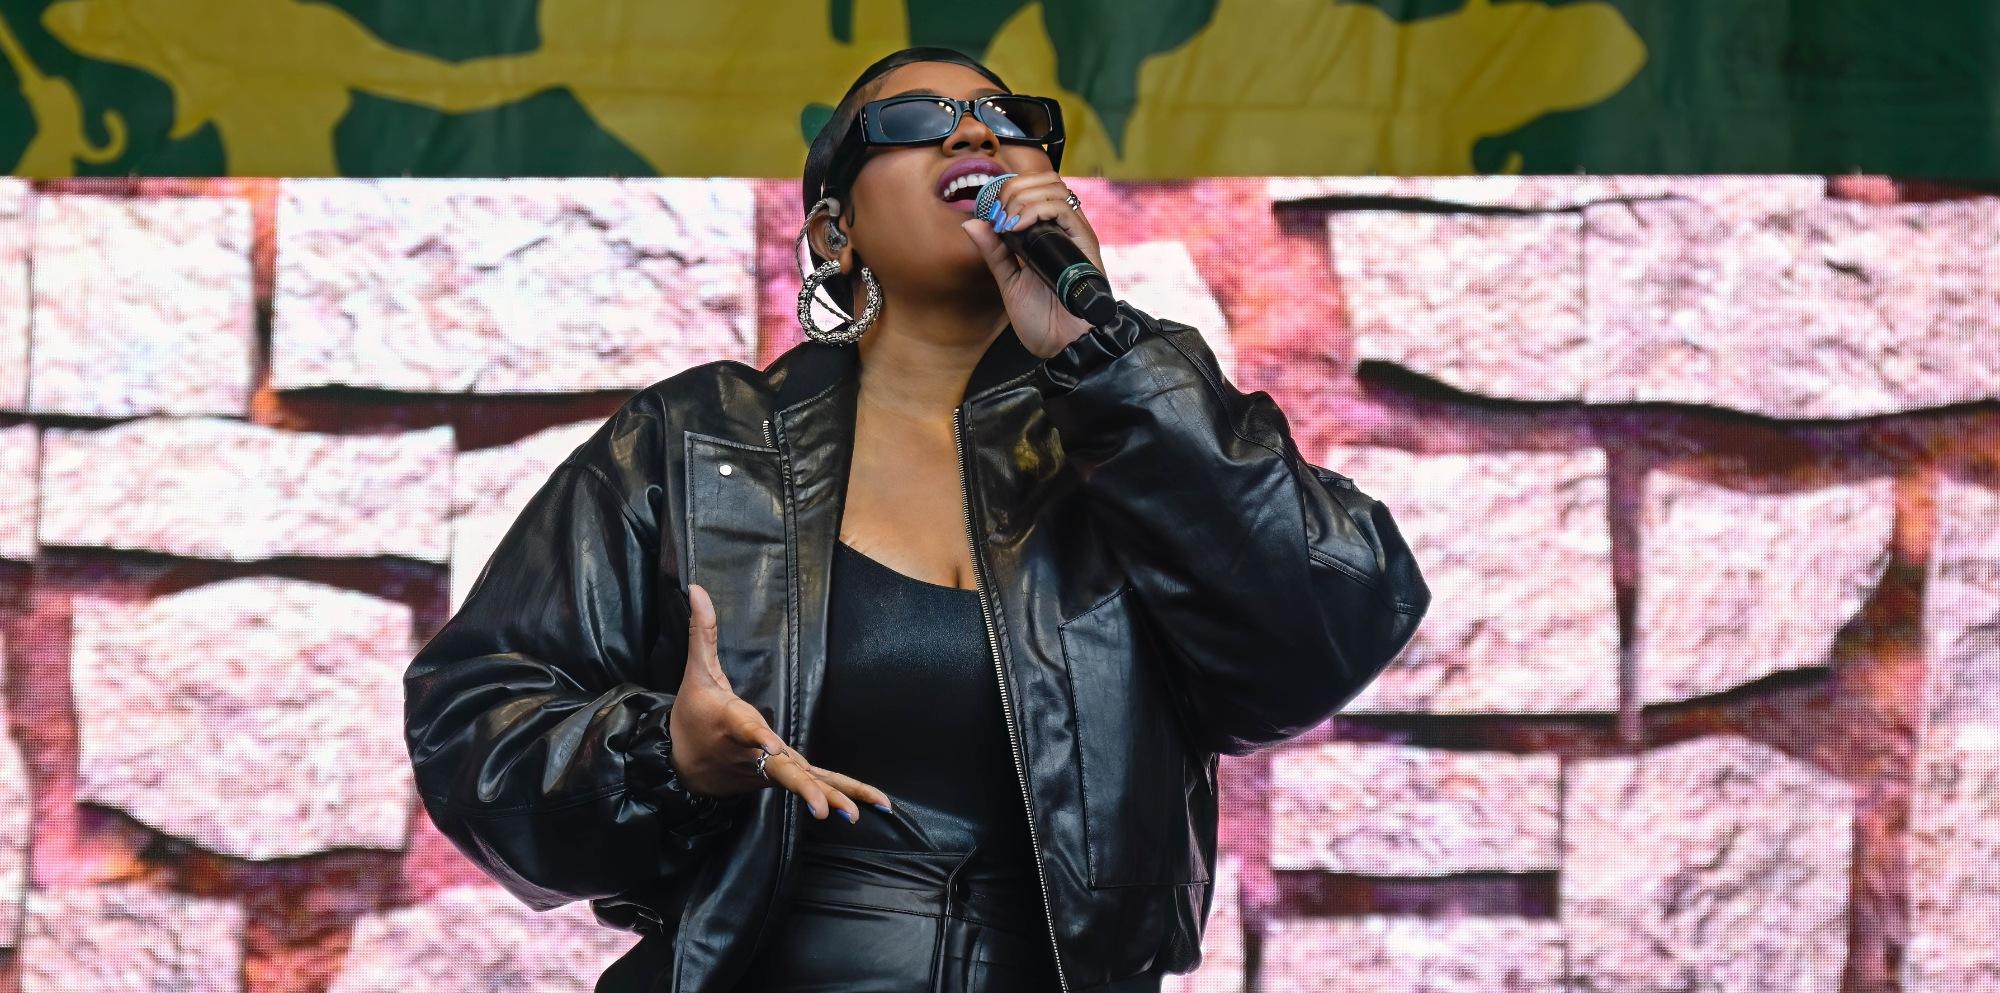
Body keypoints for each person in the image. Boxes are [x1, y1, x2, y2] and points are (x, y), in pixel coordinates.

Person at [404, 45, 1431, 993]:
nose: (975, 133)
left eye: (1005, 116)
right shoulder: (697, 441)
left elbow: (1320, 630)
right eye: (913, 121)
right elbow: (475, 726)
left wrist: (1102, 355)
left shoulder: (1144, 430)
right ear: (832, 234)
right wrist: (666, 754)